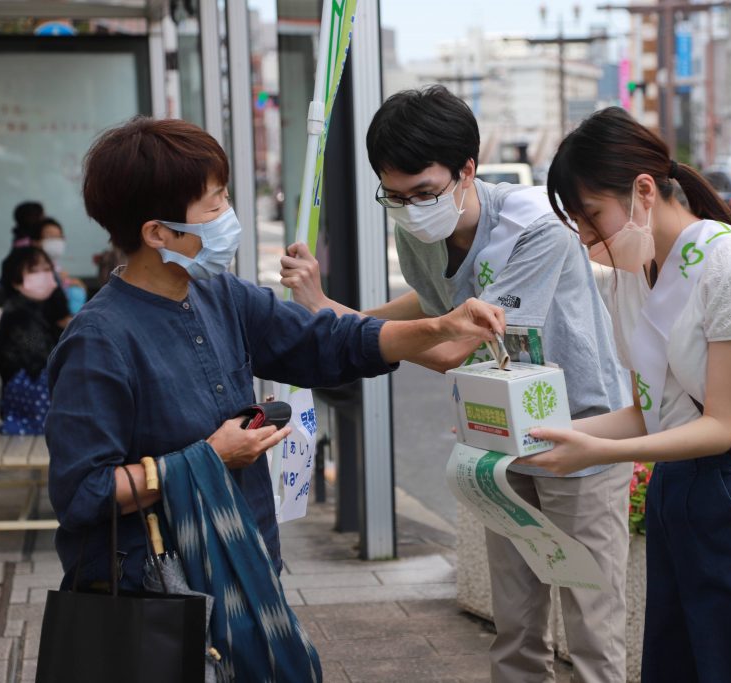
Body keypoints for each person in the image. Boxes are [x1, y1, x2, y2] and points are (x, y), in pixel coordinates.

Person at [46, 116, 503, 595]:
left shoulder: (223, 296)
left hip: (251, 568)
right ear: (158, 233)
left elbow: (331, 342)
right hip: (158, 596)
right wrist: (211, 457)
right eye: (215, 203)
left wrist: (441, 326)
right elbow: (83, 495)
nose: (229, 214)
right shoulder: (97, 342)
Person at [280, 86, 632, 683]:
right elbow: (432, 302)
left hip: (582, 439)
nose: (410, 208)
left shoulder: (532, 229)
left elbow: (451, 346)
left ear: (467, 169)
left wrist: (332, 315)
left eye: (423, 193)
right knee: (516, 627)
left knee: (592, 631)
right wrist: (332, 311)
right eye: (394, 196)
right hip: (502, 439)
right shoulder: (415, 226)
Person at [523, 107, 731, 682]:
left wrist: (592, 450)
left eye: (590, 219)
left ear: (645, 190)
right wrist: (546, 436)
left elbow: (721, 426)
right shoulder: (635, 272)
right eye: (576, 224)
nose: (585, 239)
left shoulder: (730, 262)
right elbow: (647, 412)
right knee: (680, 662)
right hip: (677, 486)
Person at [0, 247, 67, 435]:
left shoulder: (31, 307)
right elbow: (41, 354)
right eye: (34, 270)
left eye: (47, 268)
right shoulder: (19, 317)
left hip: (31, 386)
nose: (44, 275)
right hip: (28, 393)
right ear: (16, 282)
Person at [29, 217, 87, 314]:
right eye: (50, 236)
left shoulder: (57, 267)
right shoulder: (30, 268)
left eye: (59, 236)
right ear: (35, 242)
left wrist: (74, 284)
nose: (56, 241)